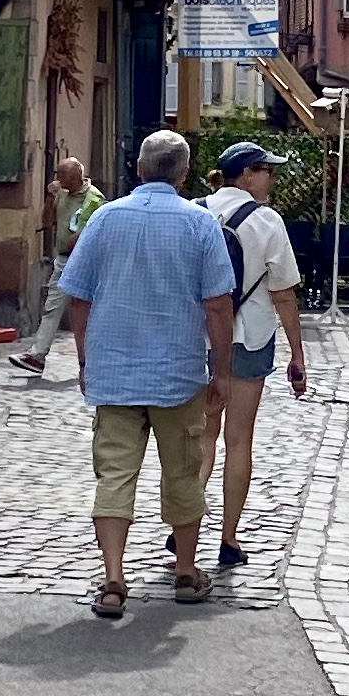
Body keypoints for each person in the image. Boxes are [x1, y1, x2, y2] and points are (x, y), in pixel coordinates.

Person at [56, 127, 234, 618]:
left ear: (138, 169)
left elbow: (78, 296)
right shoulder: (200, 224)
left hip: (114, 372)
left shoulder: (104, 218)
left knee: (114, 475)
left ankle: (113, 579)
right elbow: (218, 305)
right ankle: (186, 572)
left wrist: (86, 359)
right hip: (178, 373)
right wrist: (221, 371)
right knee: (183, 472)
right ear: (184, 173)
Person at [207, 140, 309, 570]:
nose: (272, 178)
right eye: (267, 170)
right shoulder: (267, 221)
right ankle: (229, 538)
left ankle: (184, 527)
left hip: (201, 340)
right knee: (238, 440)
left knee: (201, 438)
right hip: (249, 338)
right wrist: (297, 355)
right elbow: (283, 294)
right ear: (247, 175)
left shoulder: (196, 211)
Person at [10, 154, 105, 376]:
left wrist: (82, 236)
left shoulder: (94, 199)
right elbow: (46, 223)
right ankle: (37, 356)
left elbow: (100, 231)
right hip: (63, 259)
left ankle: (92, 361)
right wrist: (48, 198)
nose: (57, 179)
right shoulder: (60, 194)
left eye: (62, 175)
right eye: (57, 174)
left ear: (76, 177)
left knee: (87, 312)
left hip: (86, 261)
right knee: (52, 306)